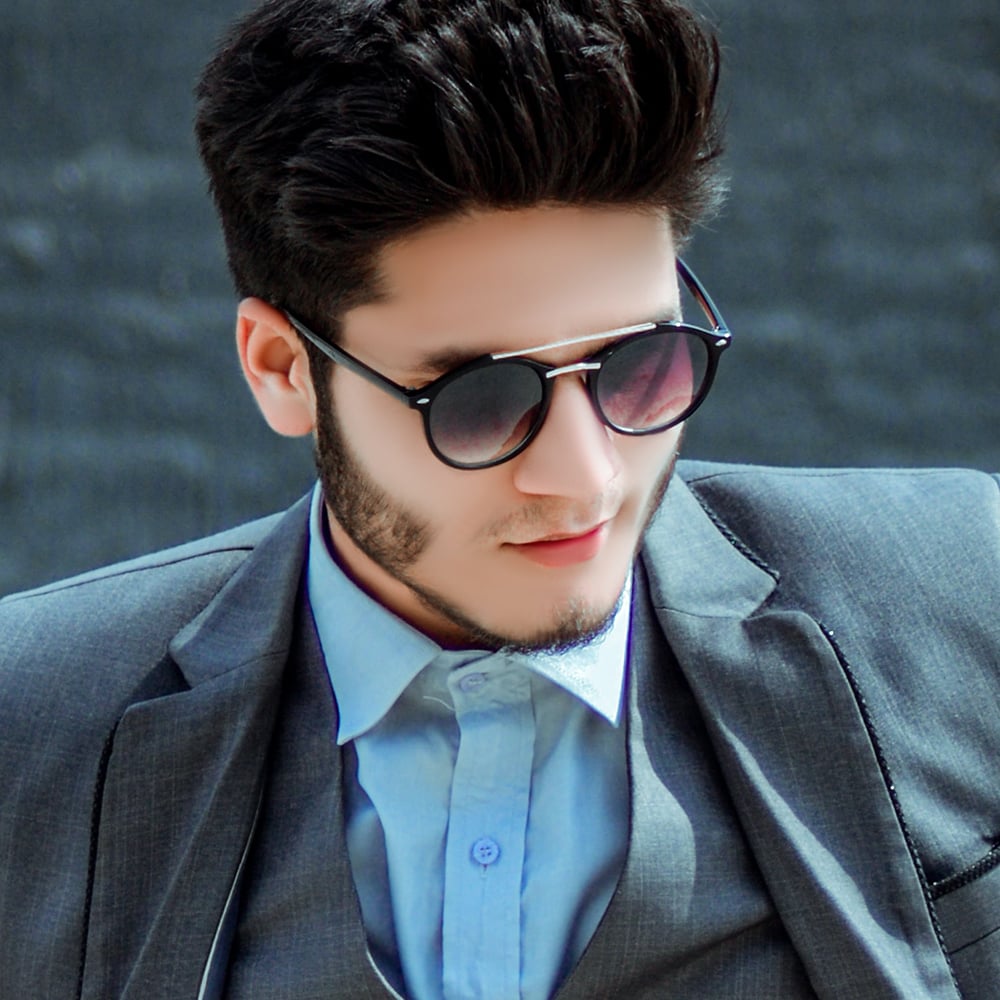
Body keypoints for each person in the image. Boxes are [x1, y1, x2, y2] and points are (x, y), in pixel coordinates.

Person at [0, 0, 997, 997]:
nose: (587, 473)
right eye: (480, 399)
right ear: (282, 369)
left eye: (639, 366)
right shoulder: (30, 727)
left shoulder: (960, 603)